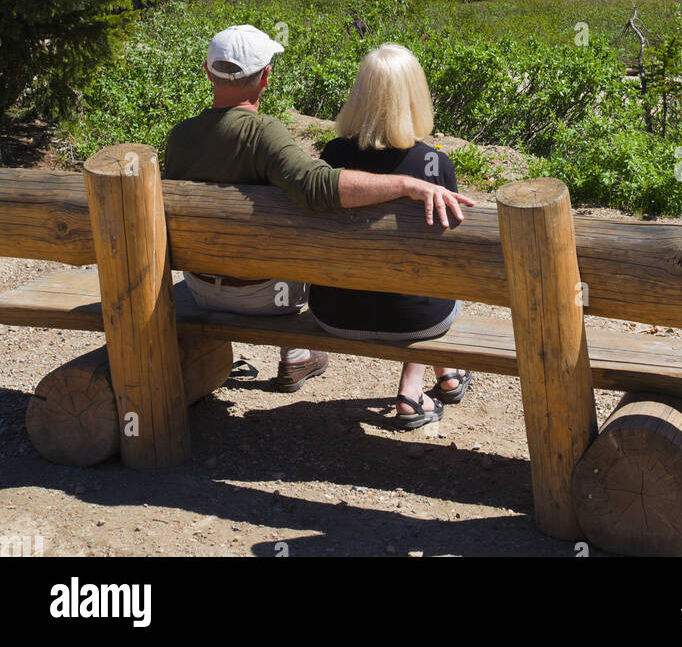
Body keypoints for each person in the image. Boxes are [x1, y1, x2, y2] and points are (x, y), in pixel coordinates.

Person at [164, 26, 473, 394]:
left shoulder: (180, 136)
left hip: (200, 288)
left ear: (207, 70)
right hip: (265, 298)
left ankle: (298, 356)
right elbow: (317, 187)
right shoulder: (264, 133)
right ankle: (300, 356)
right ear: (266, 77)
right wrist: (407, 184)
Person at [308, 44, 471, 430]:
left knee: (411, 279)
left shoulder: (332, 156)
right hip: (415, 321)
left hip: (335, 312)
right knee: (424, 278)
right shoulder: (434, 164)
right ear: (416, 94)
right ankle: (412, 392)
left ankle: (447, 375)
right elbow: (442, 263)